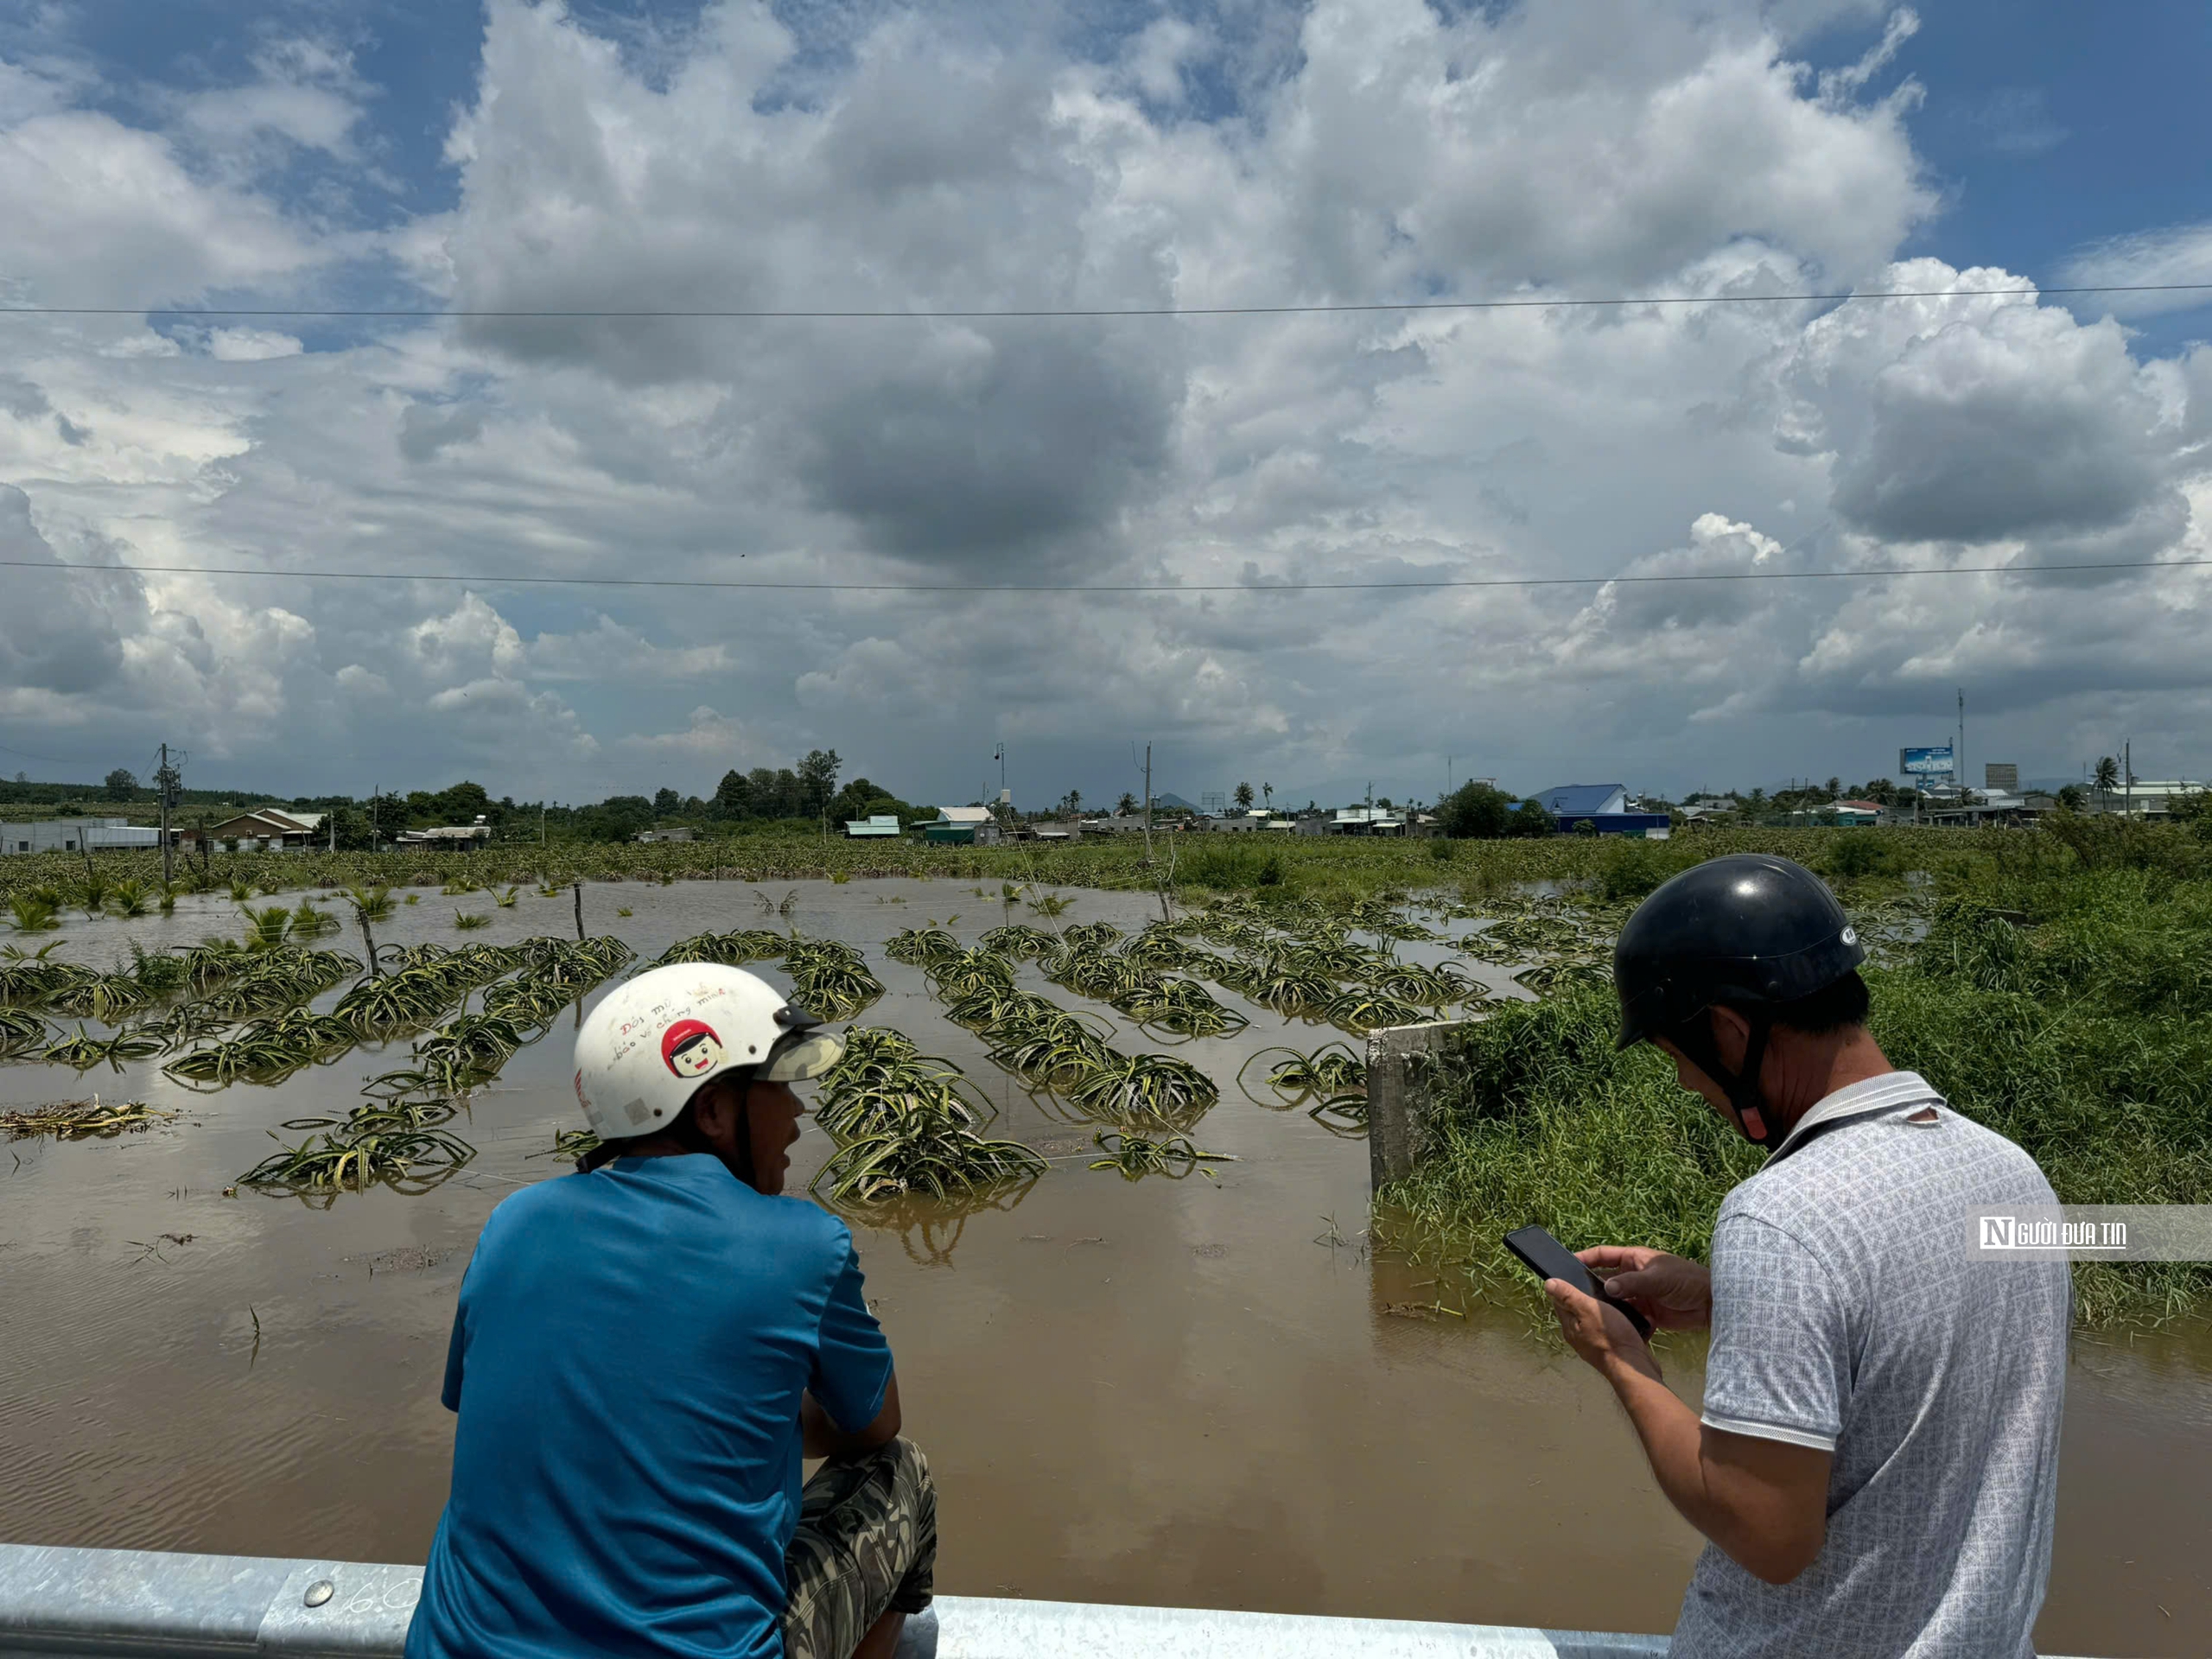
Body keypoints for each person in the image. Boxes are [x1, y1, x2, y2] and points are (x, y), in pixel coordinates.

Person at [1543, 854, 2069, 1657]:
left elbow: (1766, 1533)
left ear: (1729, 1029)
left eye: (1674, 1056)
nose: (1688, 1084)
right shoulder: (2012, 1173)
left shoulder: (1783, 1216)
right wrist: (1732, 1303)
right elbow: (1920, 1345)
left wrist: (1623, 1363)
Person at [405, 964, 936, 1659]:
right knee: (901, 1474)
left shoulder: (513, 1223)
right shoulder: (805, 1244)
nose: (799, 1115)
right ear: (714, 1110)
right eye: (779, 1088)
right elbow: (873, 1426)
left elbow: (499, 1406)